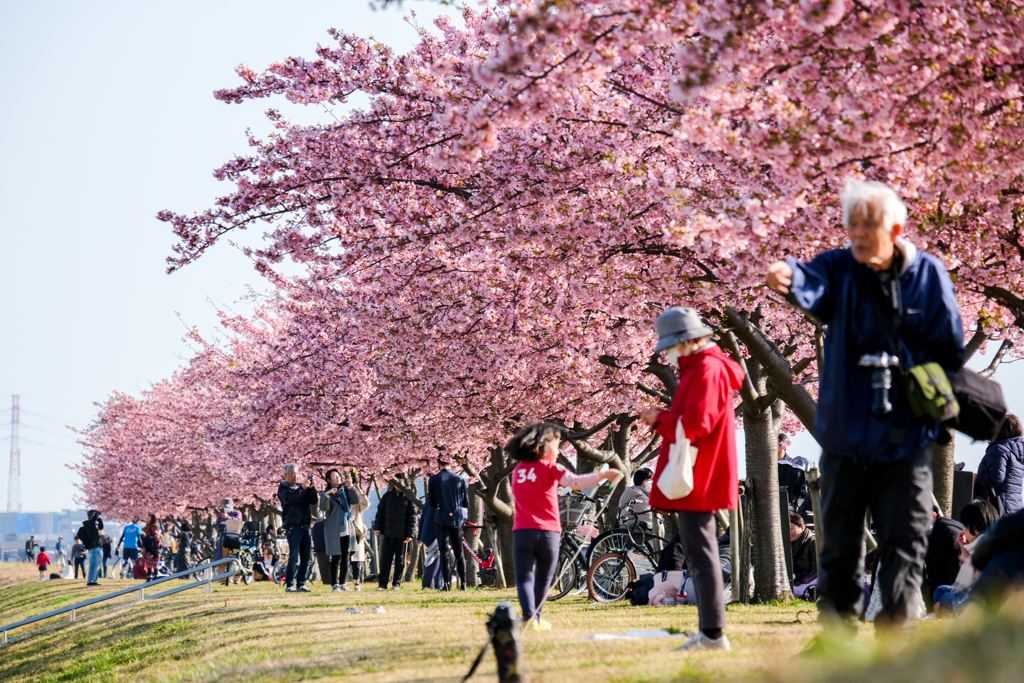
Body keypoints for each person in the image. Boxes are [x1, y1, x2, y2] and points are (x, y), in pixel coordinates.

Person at [767, 180, 964, 632]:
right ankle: (836, 633)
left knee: (906, 541)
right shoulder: (840, 267)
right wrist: (789, 277)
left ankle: (894, 633)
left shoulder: (928, 275)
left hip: (906, 437)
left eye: (867, 224)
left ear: (895, 228)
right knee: (839, 542)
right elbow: (811, 282)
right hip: (846, 435)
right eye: (851, 223)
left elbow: (949, 345)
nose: (857, 233)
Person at [641, 306, 743, 651]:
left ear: (685, 341)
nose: (667, 353)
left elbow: (697, 424)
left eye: (670, 345)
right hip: (700, 472)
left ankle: (713, 633)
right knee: (699, 553)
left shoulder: (707, 370)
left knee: (702, 555)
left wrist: (659, 418)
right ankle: (709, 631)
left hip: (701, 474)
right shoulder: (703, 368)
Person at [505, 422, 619, 630]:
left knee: (524, 578)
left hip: (522, 532)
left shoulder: (518, 471)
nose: (559, 451)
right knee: (543, 579)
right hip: (548, 533)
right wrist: (603, 475)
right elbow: (574, 482)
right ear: (543, 445)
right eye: (557, 445)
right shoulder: (551, 467)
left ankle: (529, 617)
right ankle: (536, 619)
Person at [934, 499, 1001, 613]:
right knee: (941, 590)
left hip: (980, 598)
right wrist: (964, 551)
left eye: (966, 525)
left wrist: (946, 604)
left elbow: (976, 586)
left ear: (976, 525)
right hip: (974, 594)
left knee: (945, 596)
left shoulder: (985, 548)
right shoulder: (980, 544)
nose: (963, 530)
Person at [319, 469, 369, 592]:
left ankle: (343, 583)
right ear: (329, 480)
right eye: (334, 476)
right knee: (336, 557)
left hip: (347, 527)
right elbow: (323, 508)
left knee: (346, 557)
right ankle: (334, 584)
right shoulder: (327, 494)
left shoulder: (345, 491)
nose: (337, 478)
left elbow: (356, 500)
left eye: (338, 475)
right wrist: (327, 494)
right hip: (334, 529)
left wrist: (351, 487)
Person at [426, 455, 470, 591]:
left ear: (438, 463)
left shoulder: (433, 479)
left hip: (440, 518)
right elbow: (466, 503)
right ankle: (463, 583)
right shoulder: (460, 480)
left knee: (444, 552)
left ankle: (446, 585)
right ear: (451, 464)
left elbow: (432, 503)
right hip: (456, 518)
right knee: (459, 553)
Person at [278, 463, 318, 592]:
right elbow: (289, 499)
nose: (295, 476)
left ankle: (301, 583)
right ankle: (289, 584)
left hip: (306, 526)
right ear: (285, 475)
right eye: (292, 474)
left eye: (296, 473)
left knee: (306, 557)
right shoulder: (283, 488)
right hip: (293, 527)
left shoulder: (302, 487)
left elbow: (313, 501)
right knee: (294, 556)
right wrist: (302, 489)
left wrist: (311, 488)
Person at [976, 414, 1023, 516]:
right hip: (1015, 507)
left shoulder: (999, 449)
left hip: (1000, 507)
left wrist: (978, 478)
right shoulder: (1017, 451)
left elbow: (996, 477)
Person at [374, 484, 419, 590]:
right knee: (385, 559)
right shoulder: (388, 496)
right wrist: (378, 527)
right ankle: (382, 584)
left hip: (402, 535)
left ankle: (396, 583)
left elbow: (413, 517)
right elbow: (380, 512)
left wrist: (410, 534)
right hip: (388, 532)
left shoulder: (409, 497)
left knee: (400, 560)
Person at [213, 500, 243, 585]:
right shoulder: (220, 516)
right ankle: (223, 579)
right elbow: (217, 527)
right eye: (225, 506)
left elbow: (238, 521)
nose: (226, 508)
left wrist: (228, 518)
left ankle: (237, 579)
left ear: (232, 505)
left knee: (237, 558)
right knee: (222, 559)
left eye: (228, 506)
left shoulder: (237, 513)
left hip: (235, 538)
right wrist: (220, 525)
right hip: (225, 539)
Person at [790, 513, 817, 589]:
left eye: (791, 529)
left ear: (802, 527)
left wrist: (799, 584)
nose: (788, 532)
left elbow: (816, 572)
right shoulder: (788, 544)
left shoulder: (813, 543)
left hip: (809, 584)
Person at [80, 510, 105, 586]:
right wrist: (95, 515)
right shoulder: (88, 524)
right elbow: (92, 520)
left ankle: (94, 580)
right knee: (94, 564)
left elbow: (101, 527)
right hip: (94, 547)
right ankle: (90, 581)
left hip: (98, 547)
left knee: (98, 564)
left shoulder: (94, 525)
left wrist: (99, 519)